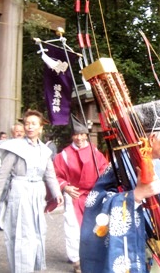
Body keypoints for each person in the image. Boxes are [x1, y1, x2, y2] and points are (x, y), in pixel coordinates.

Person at [80, 99, 160, 273]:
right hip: (132, 245)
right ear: (151, 138)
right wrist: (134, 196)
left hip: (159, 244)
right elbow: (96, 203)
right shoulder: (121, 165)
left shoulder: (159, 165)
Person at [0, 109, 64, 273]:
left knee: (36, 230)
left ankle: (32, 266)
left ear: (40, 128)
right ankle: (21, 269)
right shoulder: (15, 147)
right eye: (27, 123)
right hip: (20, 191)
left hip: (37, 192)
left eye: (33, 124)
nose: (29, 127)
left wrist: (57, 193)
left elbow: (50, 175)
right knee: (21, 231)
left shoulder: (45, 150)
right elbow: (2, 174)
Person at [54, 115, 109, 273]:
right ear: (72, 135)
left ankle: (92, 255)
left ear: (87, 134)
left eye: (82, 134)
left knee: (95, 224)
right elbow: (55, 175)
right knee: (72, 226)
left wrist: (102, 187)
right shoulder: (64, 154)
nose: (79, 138)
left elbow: (104, 170)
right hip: (74, 193)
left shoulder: (95, 152)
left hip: (93, 193)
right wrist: (65, 187)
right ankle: (76, 259)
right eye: (76, 134)